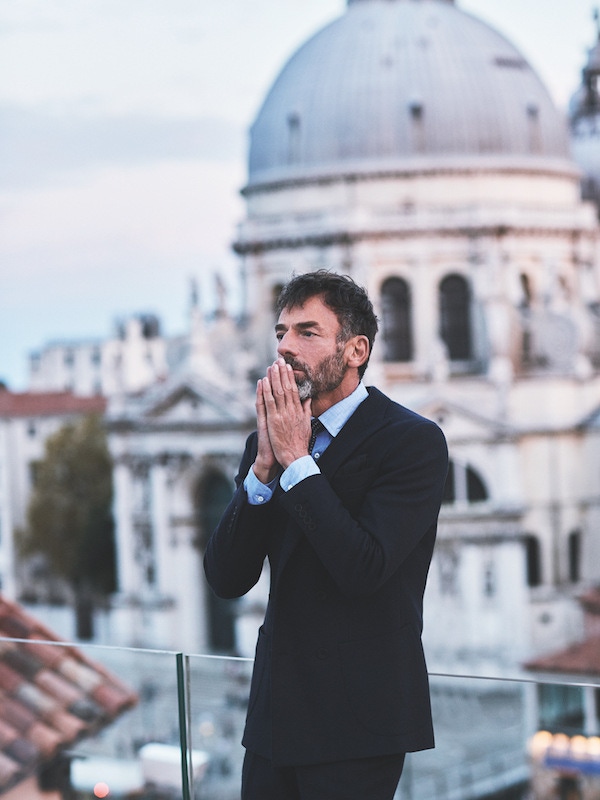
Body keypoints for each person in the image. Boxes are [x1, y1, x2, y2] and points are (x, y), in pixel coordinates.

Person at [204, 270, 448, 800]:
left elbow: (364, 569)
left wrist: (296, 461)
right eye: (281, 333)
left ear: (355, 349)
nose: (287, 347)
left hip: (359, 722)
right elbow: (225, 578)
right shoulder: (265, 443)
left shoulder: (413, 442)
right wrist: (264, 473)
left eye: (307, 332)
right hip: (273, 718)